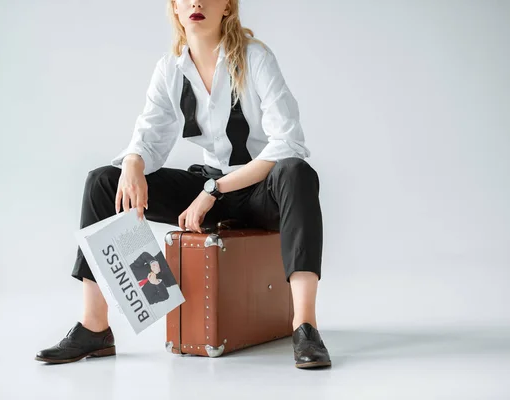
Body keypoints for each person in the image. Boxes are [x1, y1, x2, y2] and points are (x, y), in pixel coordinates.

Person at [35, 0, 330, 369]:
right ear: (174, 8)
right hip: (207, 183)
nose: (196, 2)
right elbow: (149, 135)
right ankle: (95, 327)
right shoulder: (171, 68)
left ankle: (305, 326)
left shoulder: (255, 58)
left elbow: (288, 142)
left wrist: (213, 191)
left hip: (258, 190)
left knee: (297, 172)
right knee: (102, 182)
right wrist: (132, 163)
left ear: (227, 7)